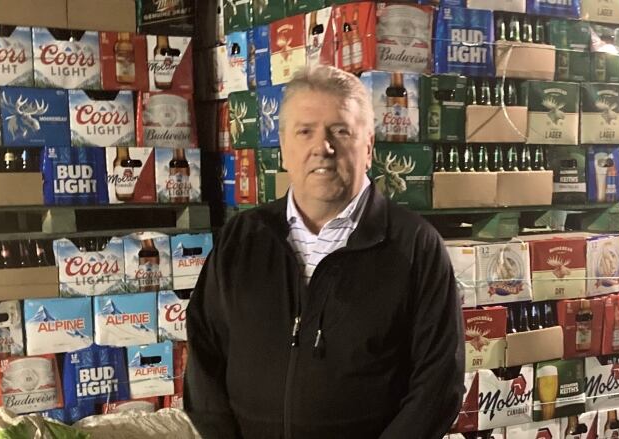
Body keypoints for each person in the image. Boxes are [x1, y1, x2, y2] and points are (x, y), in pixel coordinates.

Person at [184, 65, 465, 439]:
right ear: (284, 147)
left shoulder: (415, 247)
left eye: (341, 131)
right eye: (305, 131)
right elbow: (204, 358)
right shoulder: (242, 238)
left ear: (368, 148)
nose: (323, 147)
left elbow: (438, 386)